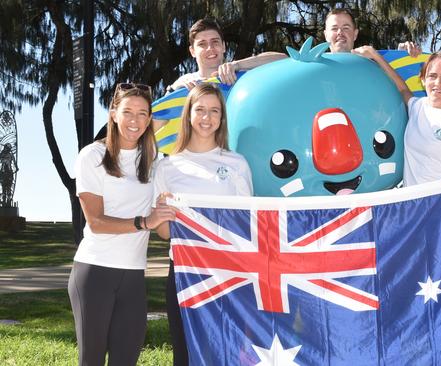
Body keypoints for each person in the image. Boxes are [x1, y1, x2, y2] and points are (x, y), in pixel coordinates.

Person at [68, 83, 175, 366]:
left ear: (150, 119)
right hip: (94, 273)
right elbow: (97, 222)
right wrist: (145, 222)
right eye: (128, 112)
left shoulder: (153, 162)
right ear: (113, 114)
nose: (135, 121)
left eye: (143, 114)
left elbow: (163, 228)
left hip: (133, 276)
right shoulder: (92, 156)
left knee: (126, 360)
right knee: (90, 360)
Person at [153, 83, 253, 366]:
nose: (207, 118)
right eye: (200, 110)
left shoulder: (237, 164)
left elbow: (247, 222)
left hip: (230, 270)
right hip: (185, 273)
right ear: (188, 115)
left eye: (214, 111)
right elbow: (163, 233)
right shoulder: (167, 166)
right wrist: (165, 213)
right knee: (186, 352)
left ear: (223, 118)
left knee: (227, 351)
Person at [353, 47, 441, 185]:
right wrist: (375, 55)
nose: (437, 83)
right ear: (423, 79)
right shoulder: (417, 107)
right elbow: (401, 87)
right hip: (412, 203)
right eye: (432, 76)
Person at [154, 18, 286, 131]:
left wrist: (237, 65)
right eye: (202, 44)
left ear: (223, 46)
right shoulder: (183, 83)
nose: (210, 48)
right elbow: (156, 125)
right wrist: (173, 93)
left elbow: (283, 60)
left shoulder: (241, 74)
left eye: (215, 42)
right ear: (192, 51)